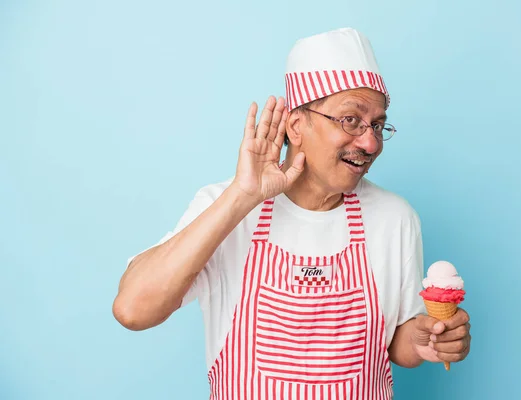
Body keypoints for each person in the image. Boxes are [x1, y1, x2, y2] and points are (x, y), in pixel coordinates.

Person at [113, 27, 471, 398]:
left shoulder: (395, 218)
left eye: (378, 125)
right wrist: (242, 195)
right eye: (351, 120)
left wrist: (424, 340)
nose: (370, 143)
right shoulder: (226, 207)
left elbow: (395, 341)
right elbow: (133, 309)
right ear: (297, 126)